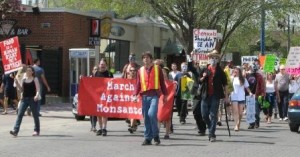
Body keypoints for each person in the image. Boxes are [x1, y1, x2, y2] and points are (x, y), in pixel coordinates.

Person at [133, 51, 167, 146]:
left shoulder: (157, 69)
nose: (146, 59)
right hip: (144, 96)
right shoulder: (140, 70)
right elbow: (138, 84)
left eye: (147, 57)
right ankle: (148, 138)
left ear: (151, 59)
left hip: (154, 95)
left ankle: (155, 135)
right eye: (144, 58)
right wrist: (135, 95)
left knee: (151, 114)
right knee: (146, 118)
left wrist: (165, 95)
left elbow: (162, 82)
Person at [198, 50, 228, 142]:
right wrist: (203, 77)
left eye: (215, 58)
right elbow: (199, 80)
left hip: (216, 95)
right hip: (205, 95)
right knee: (204, 115)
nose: (213, 60)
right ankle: (211, 126)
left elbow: (225, 84)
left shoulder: (221, 71)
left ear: (218, 60)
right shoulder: (205, 69)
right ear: (209, 59)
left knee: (213, 114)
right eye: (211, 58)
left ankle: (211, 134)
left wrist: (226, 96)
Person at [10, 66, 40, 137]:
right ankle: (15, 131)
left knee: (35, 115)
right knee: (20, 114)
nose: (28, 72)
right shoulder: (23, 80)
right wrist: (16, 83)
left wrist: (36, 95)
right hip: (24, 99)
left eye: (29, 71)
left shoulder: (35, 79)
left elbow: (38, 89)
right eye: (27, 71)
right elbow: (21, 90)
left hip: (32, 99)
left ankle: (36, 130)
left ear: (32, 72)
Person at [186, 54, 207, 136]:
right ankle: (201, 127)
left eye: (201, 62)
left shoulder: (206, 70)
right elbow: (190, 67)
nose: (199, 63)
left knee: (203, 112)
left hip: (204, 93)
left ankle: (203, 128)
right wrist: (190, 58)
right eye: (197, 62)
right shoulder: (195, 70)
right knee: (195, 112)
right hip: (196, 93)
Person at [95, 59, 113, 136]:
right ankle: (100, 128)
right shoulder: (96, 73)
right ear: (99, 65)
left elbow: (113, 83)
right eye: (101, 64)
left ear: (106, 65)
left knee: (105, 112)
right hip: (98, 96)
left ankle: (104, 128)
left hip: (106, 96)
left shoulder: (109, 73)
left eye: (103, 64)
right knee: (98, 113)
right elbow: (91, 83)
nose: (102, 66)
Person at [230, 67, 252, 131]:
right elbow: (228, 86)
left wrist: (250, 93)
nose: (235, 72)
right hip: (234, 96)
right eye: (234, 71)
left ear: (239, 72)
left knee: (240, 113)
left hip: (241, 96)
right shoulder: (232, 78)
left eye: (237, 71)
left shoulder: (243, 79)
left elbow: (247, 87)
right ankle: (236, 125)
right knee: (235, 111)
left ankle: (239, 123)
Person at [245, 63, 265, 129]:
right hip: (249, 95)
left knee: (256, 111)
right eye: (251, 67)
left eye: (254, 67)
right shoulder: (247, 75)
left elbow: (262, 86)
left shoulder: (259, 76)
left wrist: (262, 94)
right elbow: (245, 85)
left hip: (257, 95)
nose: (252, 68)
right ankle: (251, 124)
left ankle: (257, 122)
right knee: (250, 111)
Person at [127, 66, 139, 134]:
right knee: (131, 113)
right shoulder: (126, 80)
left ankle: (132, 126)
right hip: (128, 99)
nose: (132, 72)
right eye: (131, 70)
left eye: (134, 70)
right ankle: (134, 124)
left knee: (133, 112)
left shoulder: (138, 80)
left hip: (136, 98)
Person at [89, 66, 99, 132]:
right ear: (92, 70)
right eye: (95, 69)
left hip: (97, 97)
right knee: (91, 112)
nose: (96, 70)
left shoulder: (99, 78)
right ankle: (92, 125)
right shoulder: (90, 77)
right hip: (91, 97)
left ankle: (94, 126)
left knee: (95, 112)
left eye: (97, 69)